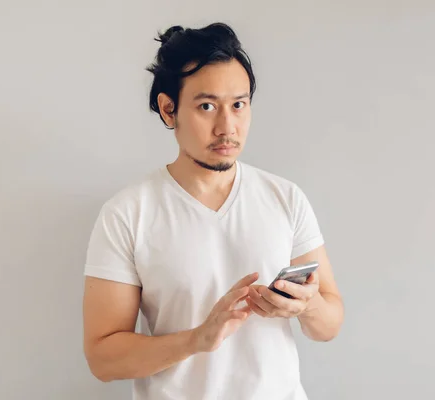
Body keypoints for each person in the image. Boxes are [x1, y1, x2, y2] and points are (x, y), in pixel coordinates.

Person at [82, 22, 344, 400]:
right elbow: (103, 359)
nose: (227, 127)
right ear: (168, 109)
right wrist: (197, 339)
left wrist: (307, 305)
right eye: (207, 106)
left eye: (238, 105)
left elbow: (329, 325)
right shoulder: (127, 213)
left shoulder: (285, 197)